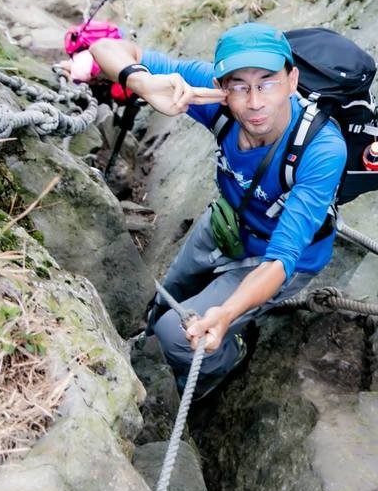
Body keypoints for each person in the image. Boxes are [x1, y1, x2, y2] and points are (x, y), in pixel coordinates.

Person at [90, 22, 347, 399]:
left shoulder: (321, 148)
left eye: (267, 82)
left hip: (276, 256)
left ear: (292, 81)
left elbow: (281, 259)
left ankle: (222, 362)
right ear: (222, 88)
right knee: (165, 299)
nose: (255, 101)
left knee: (177, 338)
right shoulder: (215, 100)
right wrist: (142, 84)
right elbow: (104, 47)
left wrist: (226, 315)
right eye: (239, 86)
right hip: (227, 223)